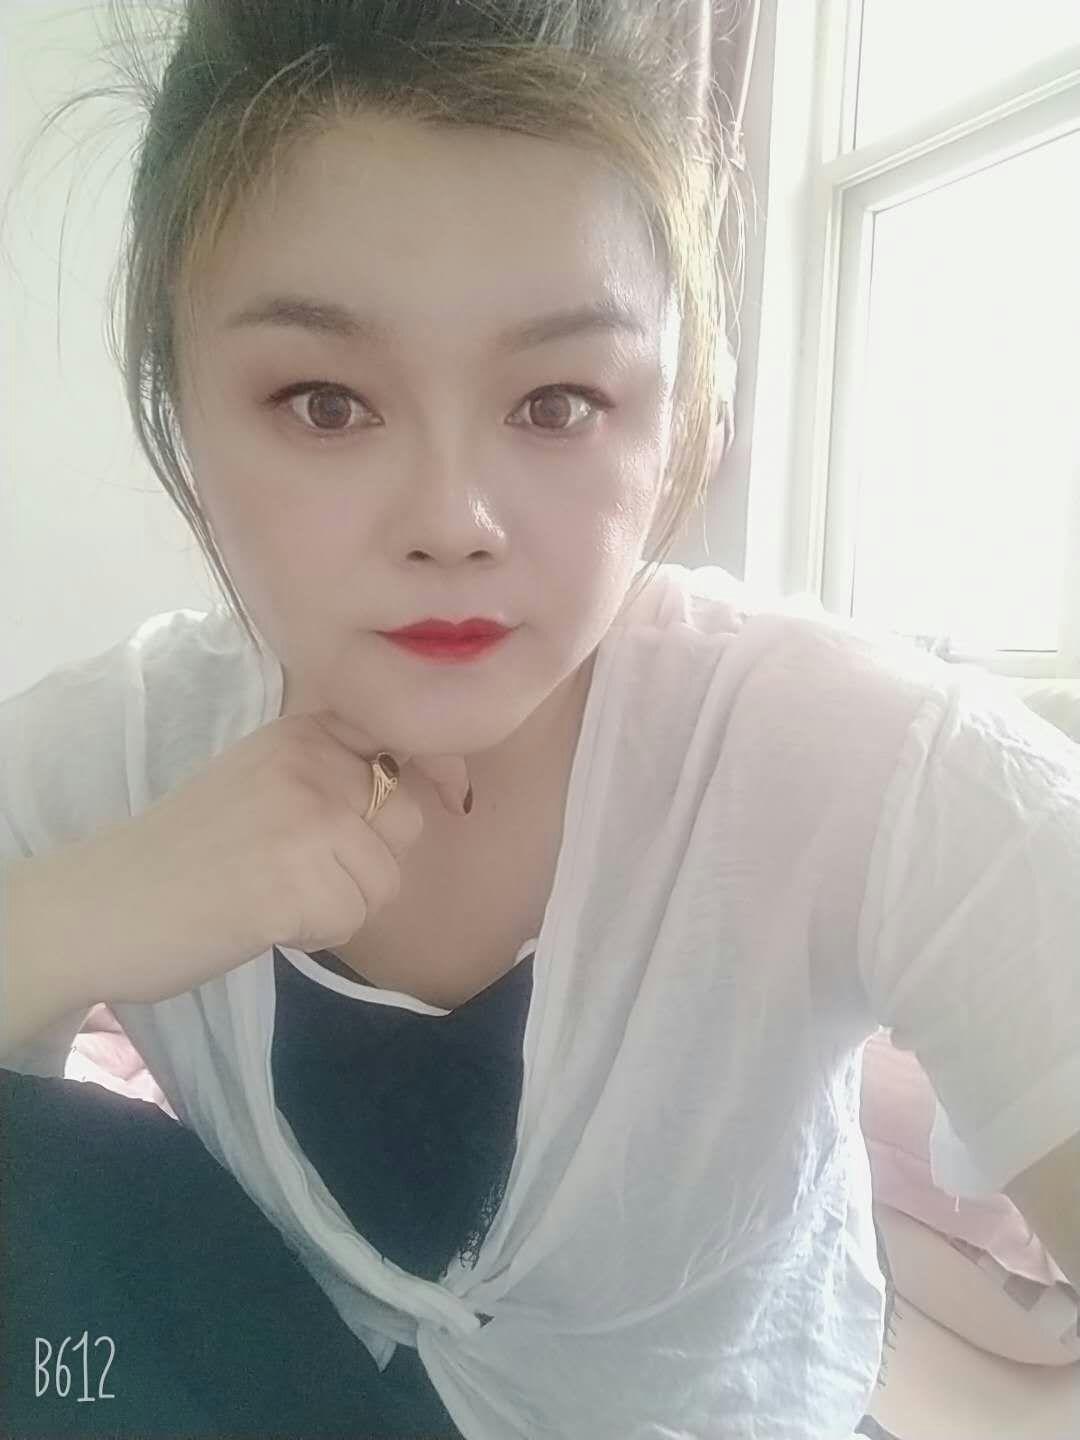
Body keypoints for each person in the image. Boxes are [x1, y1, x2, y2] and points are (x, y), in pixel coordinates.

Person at [2, 2, 1078, 1437]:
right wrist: (65, 922)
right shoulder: (112, 753)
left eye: (559, 403)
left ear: (680, 423)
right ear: (181, 415)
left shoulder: (863, 757)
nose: (454, 521)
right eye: (325, 403)